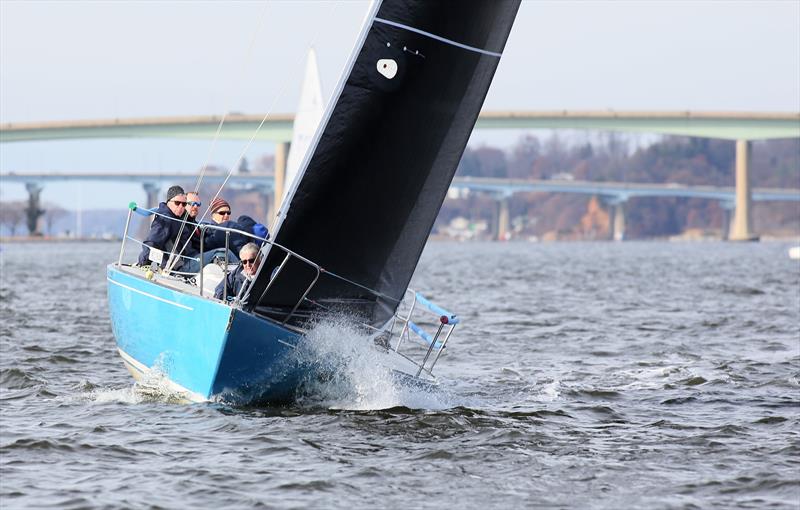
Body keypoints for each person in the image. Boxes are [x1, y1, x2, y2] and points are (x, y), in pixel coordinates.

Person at [137, 185, 198, 270]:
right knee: (217, 254)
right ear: (169, 202)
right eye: (177, 203)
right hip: (180, 267)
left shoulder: (182, 218)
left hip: (191, 258)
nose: (181, 206)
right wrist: (143, 263)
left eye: (184, 204)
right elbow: (152, 243)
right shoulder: (165, 219)